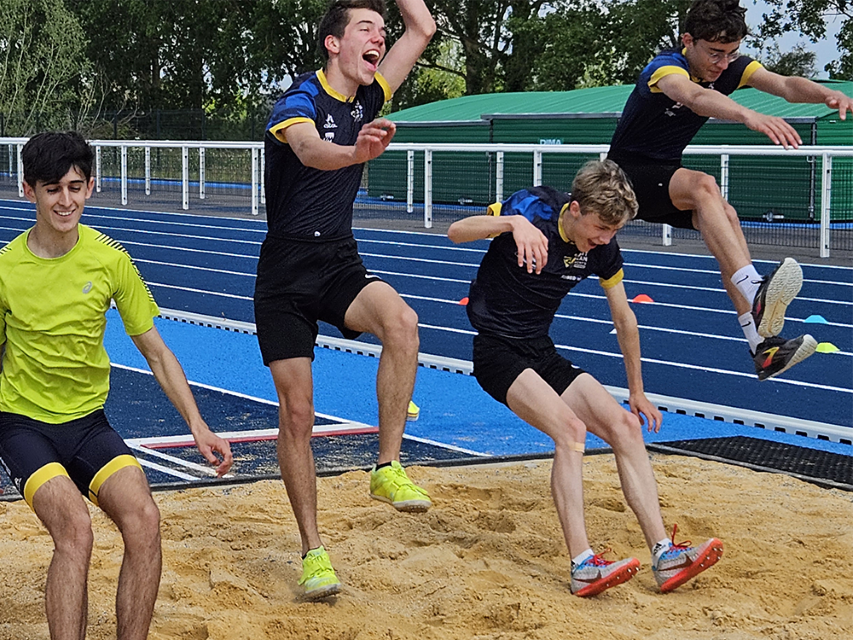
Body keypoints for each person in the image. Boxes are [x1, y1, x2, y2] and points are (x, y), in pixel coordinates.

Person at [447, 160, 723, 597]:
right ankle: (581, 564)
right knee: (571, 430)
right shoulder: (532, 207)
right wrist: (511, 223)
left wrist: (637, 391)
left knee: (625, 426)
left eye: (613, 233)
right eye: (599, 229)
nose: (604, 240)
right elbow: (456, 232)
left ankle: (665, 554)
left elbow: (624, 316)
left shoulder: (602, 248)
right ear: (574, 209)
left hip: (541, 351)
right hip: (497, 351)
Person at [0, 131, 233, 640]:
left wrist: (198, 424)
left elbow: (156, 350)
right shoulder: (4, 270)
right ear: (28, 191)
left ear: (90, 188)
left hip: (86, 424)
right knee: (75, 530)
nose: (66, 200)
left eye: (76, 187)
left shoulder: (110, 260)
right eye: (52, 189)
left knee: (144, 520)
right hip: (22, 425)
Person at [254, 0, 435, 599]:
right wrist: (356, 152)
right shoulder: (298, 102)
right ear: (334, 44)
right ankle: (313, 551)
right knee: (298, 415)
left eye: (382, 32)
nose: (379, 38)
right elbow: (309, 151)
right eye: (365, 29)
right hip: (284, 273)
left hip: (335, 259)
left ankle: (386, 466)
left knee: (403, 323)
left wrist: (401, 18)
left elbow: (424, 27)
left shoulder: (369, 95)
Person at [608, 0, 853, 381]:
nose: (723, 64)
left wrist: (825, 95)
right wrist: (747, 114)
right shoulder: (665, 69)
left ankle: (762, 348)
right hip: (623, 176)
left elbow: (786, 85)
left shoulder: (732, 67)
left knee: (725, 216)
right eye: (715, 54)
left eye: (731, 54)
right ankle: (755, 290)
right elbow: (694, 97)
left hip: (662, 177)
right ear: (688, 41)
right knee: (705, 184)